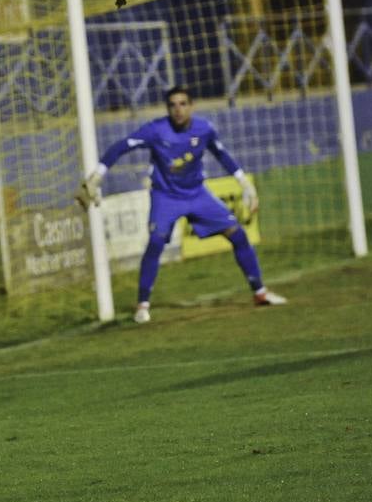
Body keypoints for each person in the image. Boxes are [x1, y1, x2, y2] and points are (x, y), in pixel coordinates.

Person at [76, 84, 288, 323]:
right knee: (156, 242)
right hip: (166, 197)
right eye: (172, 105)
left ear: (191, 106)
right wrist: (98, 175)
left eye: (183, 104)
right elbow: (121, 146)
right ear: (167, 109)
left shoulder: (204, 129)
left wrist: (244, 184)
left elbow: (222, 154)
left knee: (237, 234)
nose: (178, 110)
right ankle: (142, 304)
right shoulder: (156, 130)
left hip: (197, 194)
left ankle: (260, 292)